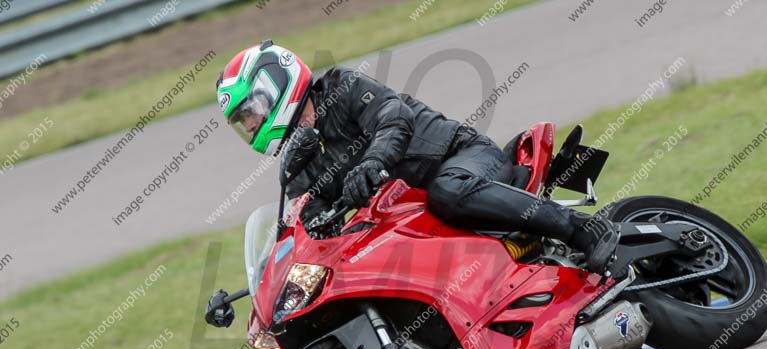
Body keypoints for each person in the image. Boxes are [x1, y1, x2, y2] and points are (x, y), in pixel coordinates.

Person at [216, 41, 622, 277]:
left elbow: (395, 120)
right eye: (241, 121)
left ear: (275, 86)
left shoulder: (344, 87)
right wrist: (267, 278)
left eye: (249, 112)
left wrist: (371, 164)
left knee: (449, 191)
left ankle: (584, 230)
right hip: (419, 216)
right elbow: (303, 222)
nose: (250, 125)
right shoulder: (302, 160)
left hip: (464, 158)